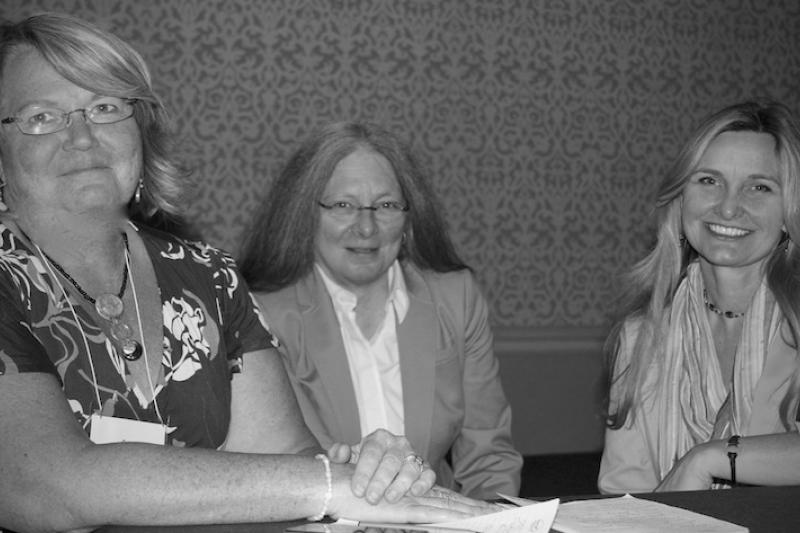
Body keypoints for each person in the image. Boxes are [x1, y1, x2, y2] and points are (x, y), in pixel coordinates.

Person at [0, 13, 496, 533]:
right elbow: (43, 485)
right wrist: (326, 483)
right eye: (41, 117)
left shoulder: (208, 276)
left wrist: (364, 475)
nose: (82, 137)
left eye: (105, 108)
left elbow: (286, 460)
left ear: (140, 129)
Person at [239, 121, 523, 500]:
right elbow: (278, 473)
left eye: (386, 205)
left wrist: (494, 522)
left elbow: (489, 460)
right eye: (343, 205)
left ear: (408, 220)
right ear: (306, 216)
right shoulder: (262, 314)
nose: (367, 227)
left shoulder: (456, 298)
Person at [598, 100, 800, 494]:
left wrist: (710, 457)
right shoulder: (642, 336)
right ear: (680, 199)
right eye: (709, 180)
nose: (728, 206)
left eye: (759, 187)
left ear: (789, 210)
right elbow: (625, 497)